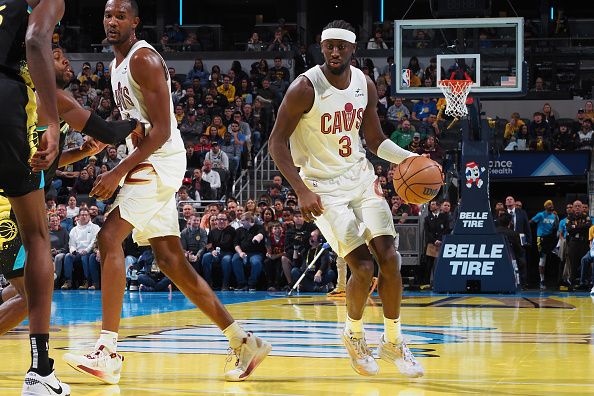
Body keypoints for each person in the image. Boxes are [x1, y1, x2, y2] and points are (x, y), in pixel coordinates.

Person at [63, 0, 270, 384]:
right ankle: (243, 340)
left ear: (135, 22)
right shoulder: (115, 65)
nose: (112, 21)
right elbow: (130, 125)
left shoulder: (144, 60)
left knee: (109, 238)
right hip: (145, 157)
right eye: (108, 15)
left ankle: (107, 351)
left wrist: (117, 170)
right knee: (172, 261)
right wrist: (83, 150)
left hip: (158, 160)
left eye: (120, 16)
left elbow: (160, 128)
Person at [269, 20, 424, 377]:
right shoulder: (304, 87)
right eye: (329, 47)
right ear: (321, 49)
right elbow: (276, 142)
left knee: (390, 259)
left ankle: (393, 342)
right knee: (363, 266)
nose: (335, 52)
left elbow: (375, 140)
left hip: (360, 178)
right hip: (323, 189)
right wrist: (301, 189)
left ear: (354, 49)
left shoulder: (364, 84)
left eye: (341, 46)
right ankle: (354, 335)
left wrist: (411, 160)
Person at [530, 200, 559, 290]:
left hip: (550, 239)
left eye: (552, 204)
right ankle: (542, 280)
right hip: (541, 238)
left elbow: (556, 227)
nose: (551, 205)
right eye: (549, 204)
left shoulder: (554, 216)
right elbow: (531, 222)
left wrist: (557, 217)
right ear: (545, 206)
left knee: (557, 255)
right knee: (542, 260)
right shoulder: (541, 215)